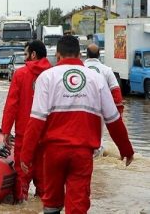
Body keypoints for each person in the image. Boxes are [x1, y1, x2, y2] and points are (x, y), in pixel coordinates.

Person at [20, 35, 134, 214]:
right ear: (80, 55)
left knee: (51, 201)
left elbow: (36, 121)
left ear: (57, 55)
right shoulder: (96, 79)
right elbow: (113, 119)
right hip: (82, 153)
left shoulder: (46, 77)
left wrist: (26, 154)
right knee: (78, 204)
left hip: (52, 153)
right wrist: (126, 149)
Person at [1, 40, 51, 203]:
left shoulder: (20, 74)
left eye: (25, 54)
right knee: (45, 185)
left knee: (21, 181)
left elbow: (12, 105)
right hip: (48, 137)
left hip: (24, 135)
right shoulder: (53, 74)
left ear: (33, 54)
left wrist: (6, 131)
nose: (25, 57)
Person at [84, 43, 124, 157]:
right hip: (99, 110)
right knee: (97, 138)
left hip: (79, 107)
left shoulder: (80, 68)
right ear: (99, 55)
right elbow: (116, 93)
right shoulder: (107, 70)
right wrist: (118, 114)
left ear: (86, 55)